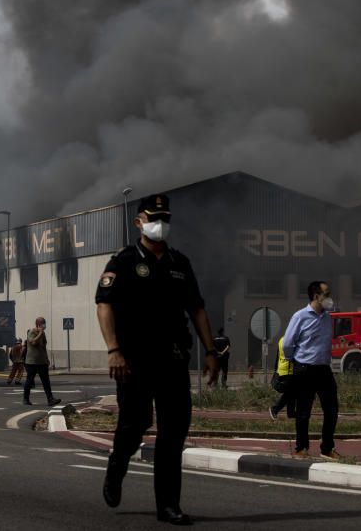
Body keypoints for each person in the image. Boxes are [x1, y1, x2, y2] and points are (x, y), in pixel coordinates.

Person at [96, 193, 218, 526]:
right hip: (132, 361)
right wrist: (113, 349)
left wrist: (210, 351)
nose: (160, 225)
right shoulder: (121, 261)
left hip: (173, 359)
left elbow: (197, 309)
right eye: (153, 218)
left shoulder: (180, 263)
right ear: (138, 222)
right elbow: (104, 305)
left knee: (173, 432)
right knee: (134, 425)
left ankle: (168, 505)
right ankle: (117, 466)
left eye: (165, 219)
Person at [283, 281, 340, 460]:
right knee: (303, 411)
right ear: (316, 296)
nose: (330, 298)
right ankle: (301, 448)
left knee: (331, 409)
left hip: (324, 369)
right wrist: (295, 361)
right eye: (327, 294)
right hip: (305, 369)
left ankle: (327, 448)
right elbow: (287, 344)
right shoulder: (300, 316)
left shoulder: (327, 317)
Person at [23, 317, 61, 407]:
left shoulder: (43, 334)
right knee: (29, 380)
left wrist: (46, 358)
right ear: (38, 324)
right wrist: (40, 332)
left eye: (44, 323)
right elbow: (33, 342)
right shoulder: (31, 332)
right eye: (42, 323)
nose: (44, 325)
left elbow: (43, 347)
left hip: (41, 362)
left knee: (46, 381)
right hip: (31, 362)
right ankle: (25, 398)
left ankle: (50, 399)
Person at [269, 335, 295, 420]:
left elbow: (278, 355)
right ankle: (275, 409)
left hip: (282, 369)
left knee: (291, 392)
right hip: (289, 370)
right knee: (289, 393)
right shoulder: (291, 341)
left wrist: (276, 370)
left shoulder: (281, 340)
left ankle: (291, 413)